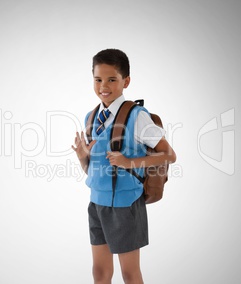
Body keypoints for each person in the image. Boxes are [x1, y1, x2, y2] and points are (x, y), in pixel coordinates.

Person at [72, 49, 176, 284]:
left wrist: (129, 162)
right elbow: (92, 172)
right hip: (97, 203)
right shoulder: (91, 117)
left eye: (112, 79)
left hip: (126, 204)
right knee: (99, 272)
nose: (103, 86)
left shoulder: (137, 116)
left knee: (129, 274)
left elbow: (169, 154)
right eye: (97, 79)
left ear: (126, 81)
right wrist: (82, 157)